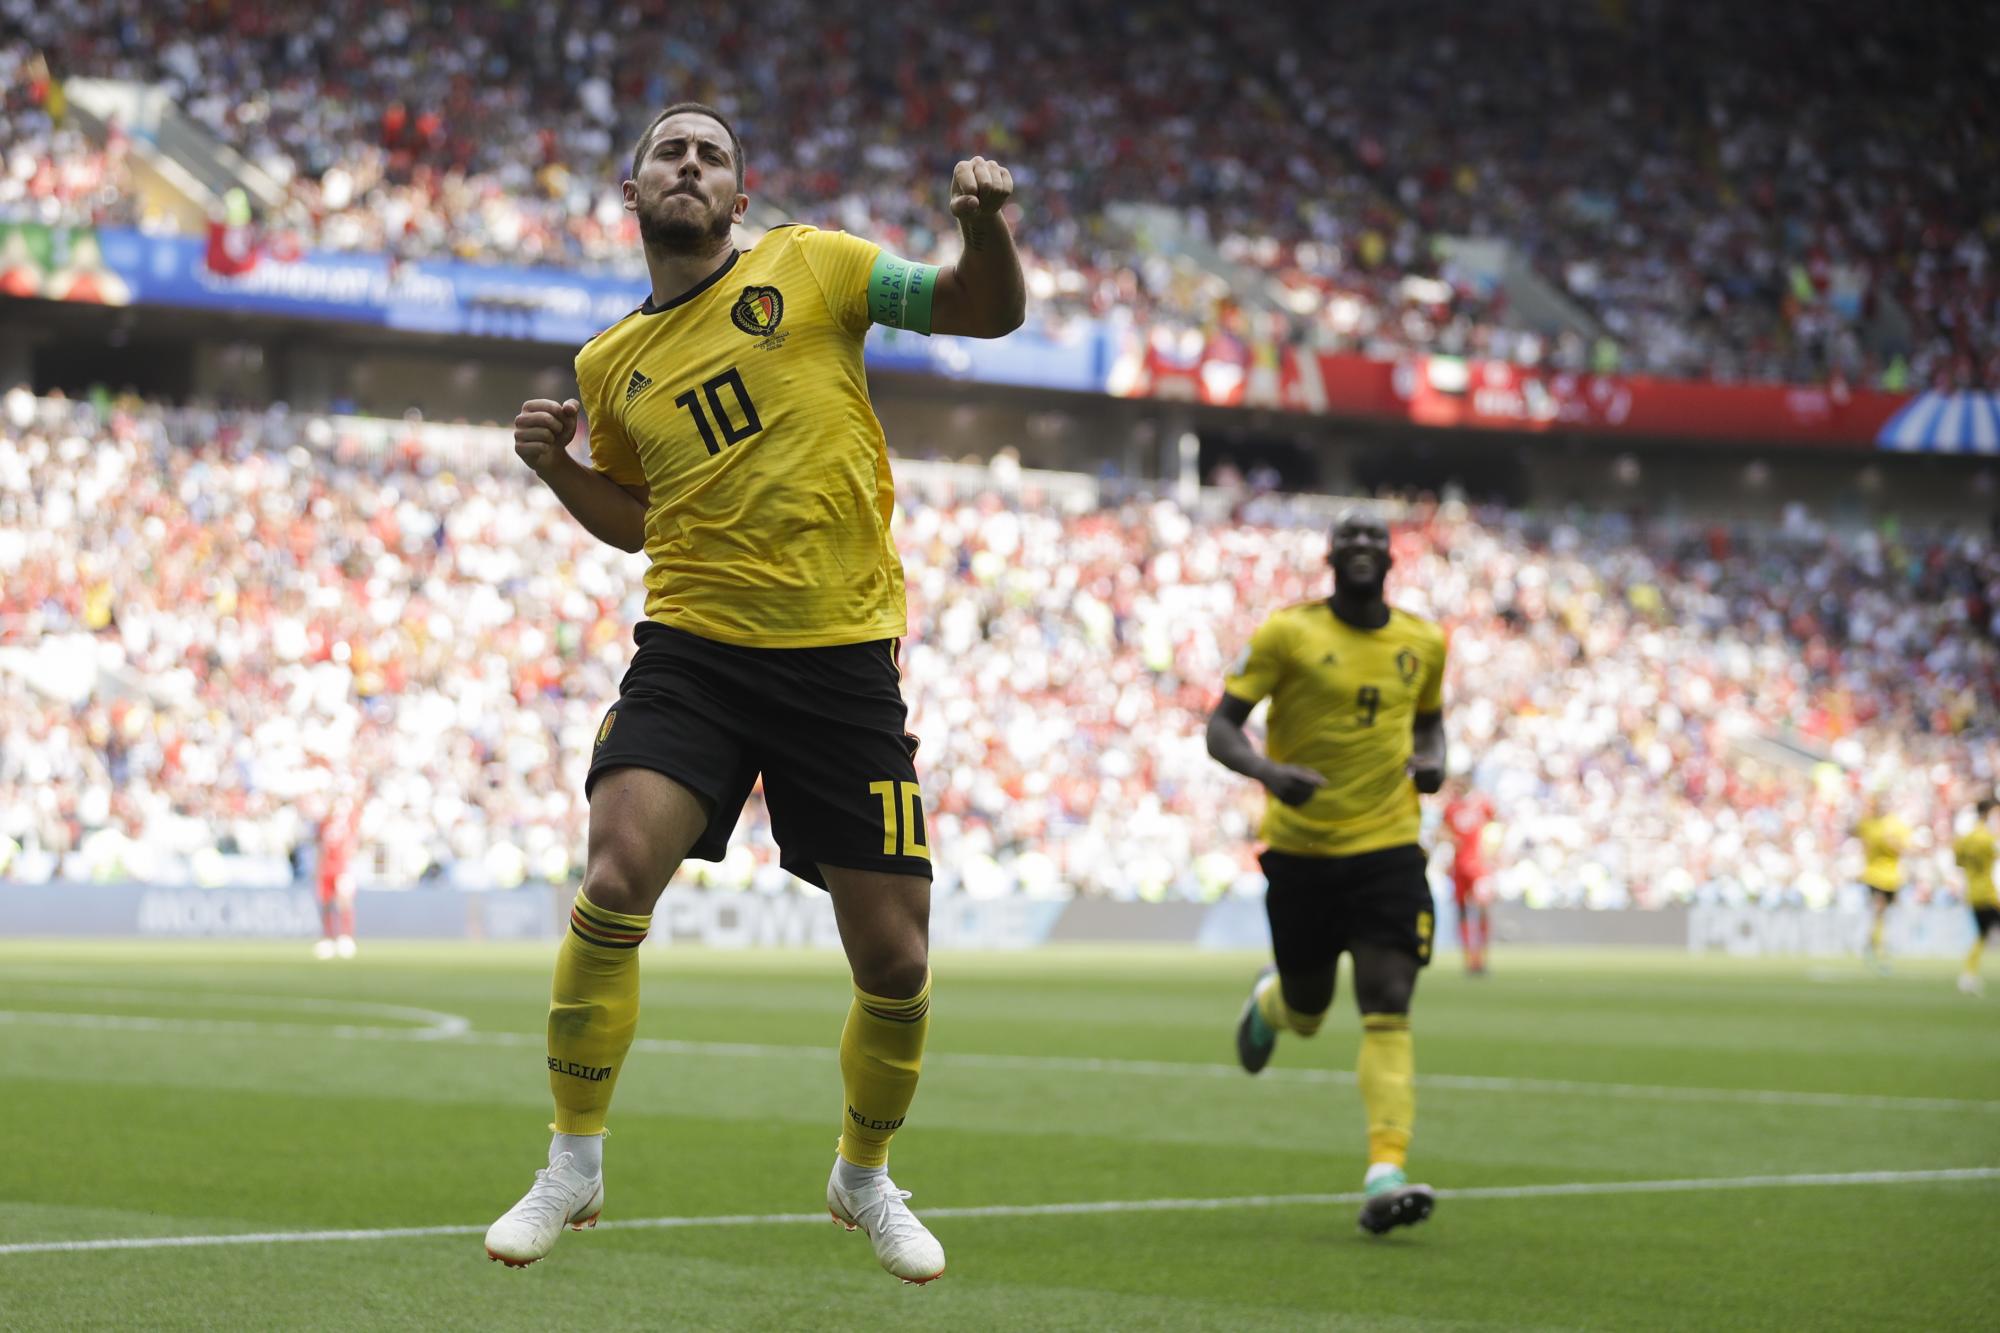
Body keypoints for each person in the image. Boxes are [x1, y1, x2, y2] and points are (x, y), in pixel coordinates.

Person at [482, 102, 1024, 1282]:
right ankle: (572, 1160)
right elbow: (642, 523)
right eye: (666, 152)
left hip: (841, 659)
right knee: (617, 868)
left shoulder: (813, 267)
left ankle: (863, 1173)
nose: (688, 164)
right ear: (631, 196)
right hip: (695, 649)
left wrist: (983, 230)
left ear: (741, 193)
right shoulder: (607, 364)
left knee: (894, 963)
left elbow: (985, 310)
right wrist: (559, 471)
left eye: (711, 154)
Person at [1206, 508, 1449, 1237]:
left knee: (1387, 995)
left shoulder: (1425, 641)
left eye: (1376, 537)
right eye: (1351, 538)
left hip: (1389, 846)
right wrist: (1268, 771)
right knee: (1311, 1010)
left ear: (1393, 557)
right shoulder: (1289, 632)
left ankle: (1386, 1170)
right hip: (1303, 849)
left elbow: (1430, 720)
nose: (1364, 547)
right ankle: (1274, 1003)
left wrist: (1435, 760)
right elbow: (1221, 725)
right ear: (1331, 555)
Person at [1441, 779, 1495, 975]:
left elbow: (1494, 824)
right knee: (1462, 910)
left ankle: (1481, 957)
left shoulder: (1482, 803)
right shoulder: (1451, 808)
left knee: (1482, 909)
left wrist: (1492, 853)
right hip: (1459, 866)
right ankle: (1469, 959)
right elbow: (1443, 831)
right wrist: (1449, 840)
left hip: (1478, 866)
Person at [1854, 794, 1910, 970]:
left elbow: (1904, 848)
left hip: (1892, 877)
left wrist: (1892, 843)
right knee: (1879, 910)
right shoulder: (1867, 823)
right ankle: (1880, 952)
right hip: (1873, 875)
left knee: (1883, 914)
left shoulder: (1896, 825)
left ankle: (1872, 943)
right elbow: (1860, 838)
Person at [1953, 798, 1998, 996]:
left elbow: (1959, 862)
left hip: (1973, 892)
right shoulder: (1989, 839)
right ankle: (1968, 975)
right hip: (1989, 893)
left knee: (1982, 935)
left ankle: (1969, 975)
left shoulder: (1966, 838)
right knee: (1983, 934)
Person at [312, 794, 361, 960]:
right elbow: (320, 846)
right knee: (326, 903)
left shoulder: (350, 822)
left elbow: (355, 843)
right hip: (327, 868)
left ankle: (345, 936)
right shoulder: (324, 823)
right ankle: (328, 937)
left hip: (342, 867)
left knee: (344, 902)